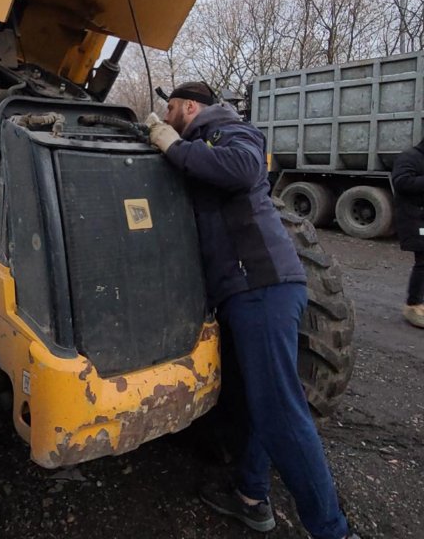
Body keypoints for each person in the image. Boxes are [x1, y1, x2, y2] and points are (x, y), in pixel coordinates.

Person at [146, 81, 358, 539]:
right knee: (255, 401)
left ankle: (333, 532)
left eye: (169, 111)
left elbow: (242, 170)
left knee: (281, 413)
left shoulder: (229, 131)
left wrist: (172, 145)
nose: (165, 119)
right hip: (245, 292)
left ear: (188, 106)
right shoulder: (206, 144)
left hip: (261, 287)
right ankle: (250, 495)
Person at [391, 138, 424, 328]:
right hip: (415, 219)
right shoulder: (409, 157)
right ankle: (413, 305)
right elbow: (402, 182)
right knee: (422, 260)